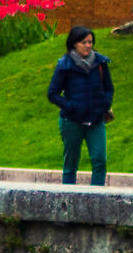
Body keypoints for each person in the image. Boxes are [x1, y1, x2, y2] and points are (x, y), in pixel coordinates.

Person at [47, 24, 114, 186]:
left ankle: (96, 198)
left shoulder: (100, 62)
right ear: (74, 43)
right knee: (71, 163)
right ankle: (68, 199)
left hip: (96, 121)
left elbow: (109, 88)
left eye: (90, 42)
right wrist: (70, 106)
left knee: (99, 160)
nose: (88, 46)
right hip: (72, 122)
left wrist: (104, 105)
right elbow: (53, 93)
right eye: (84, 42)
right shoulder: (65, 65)